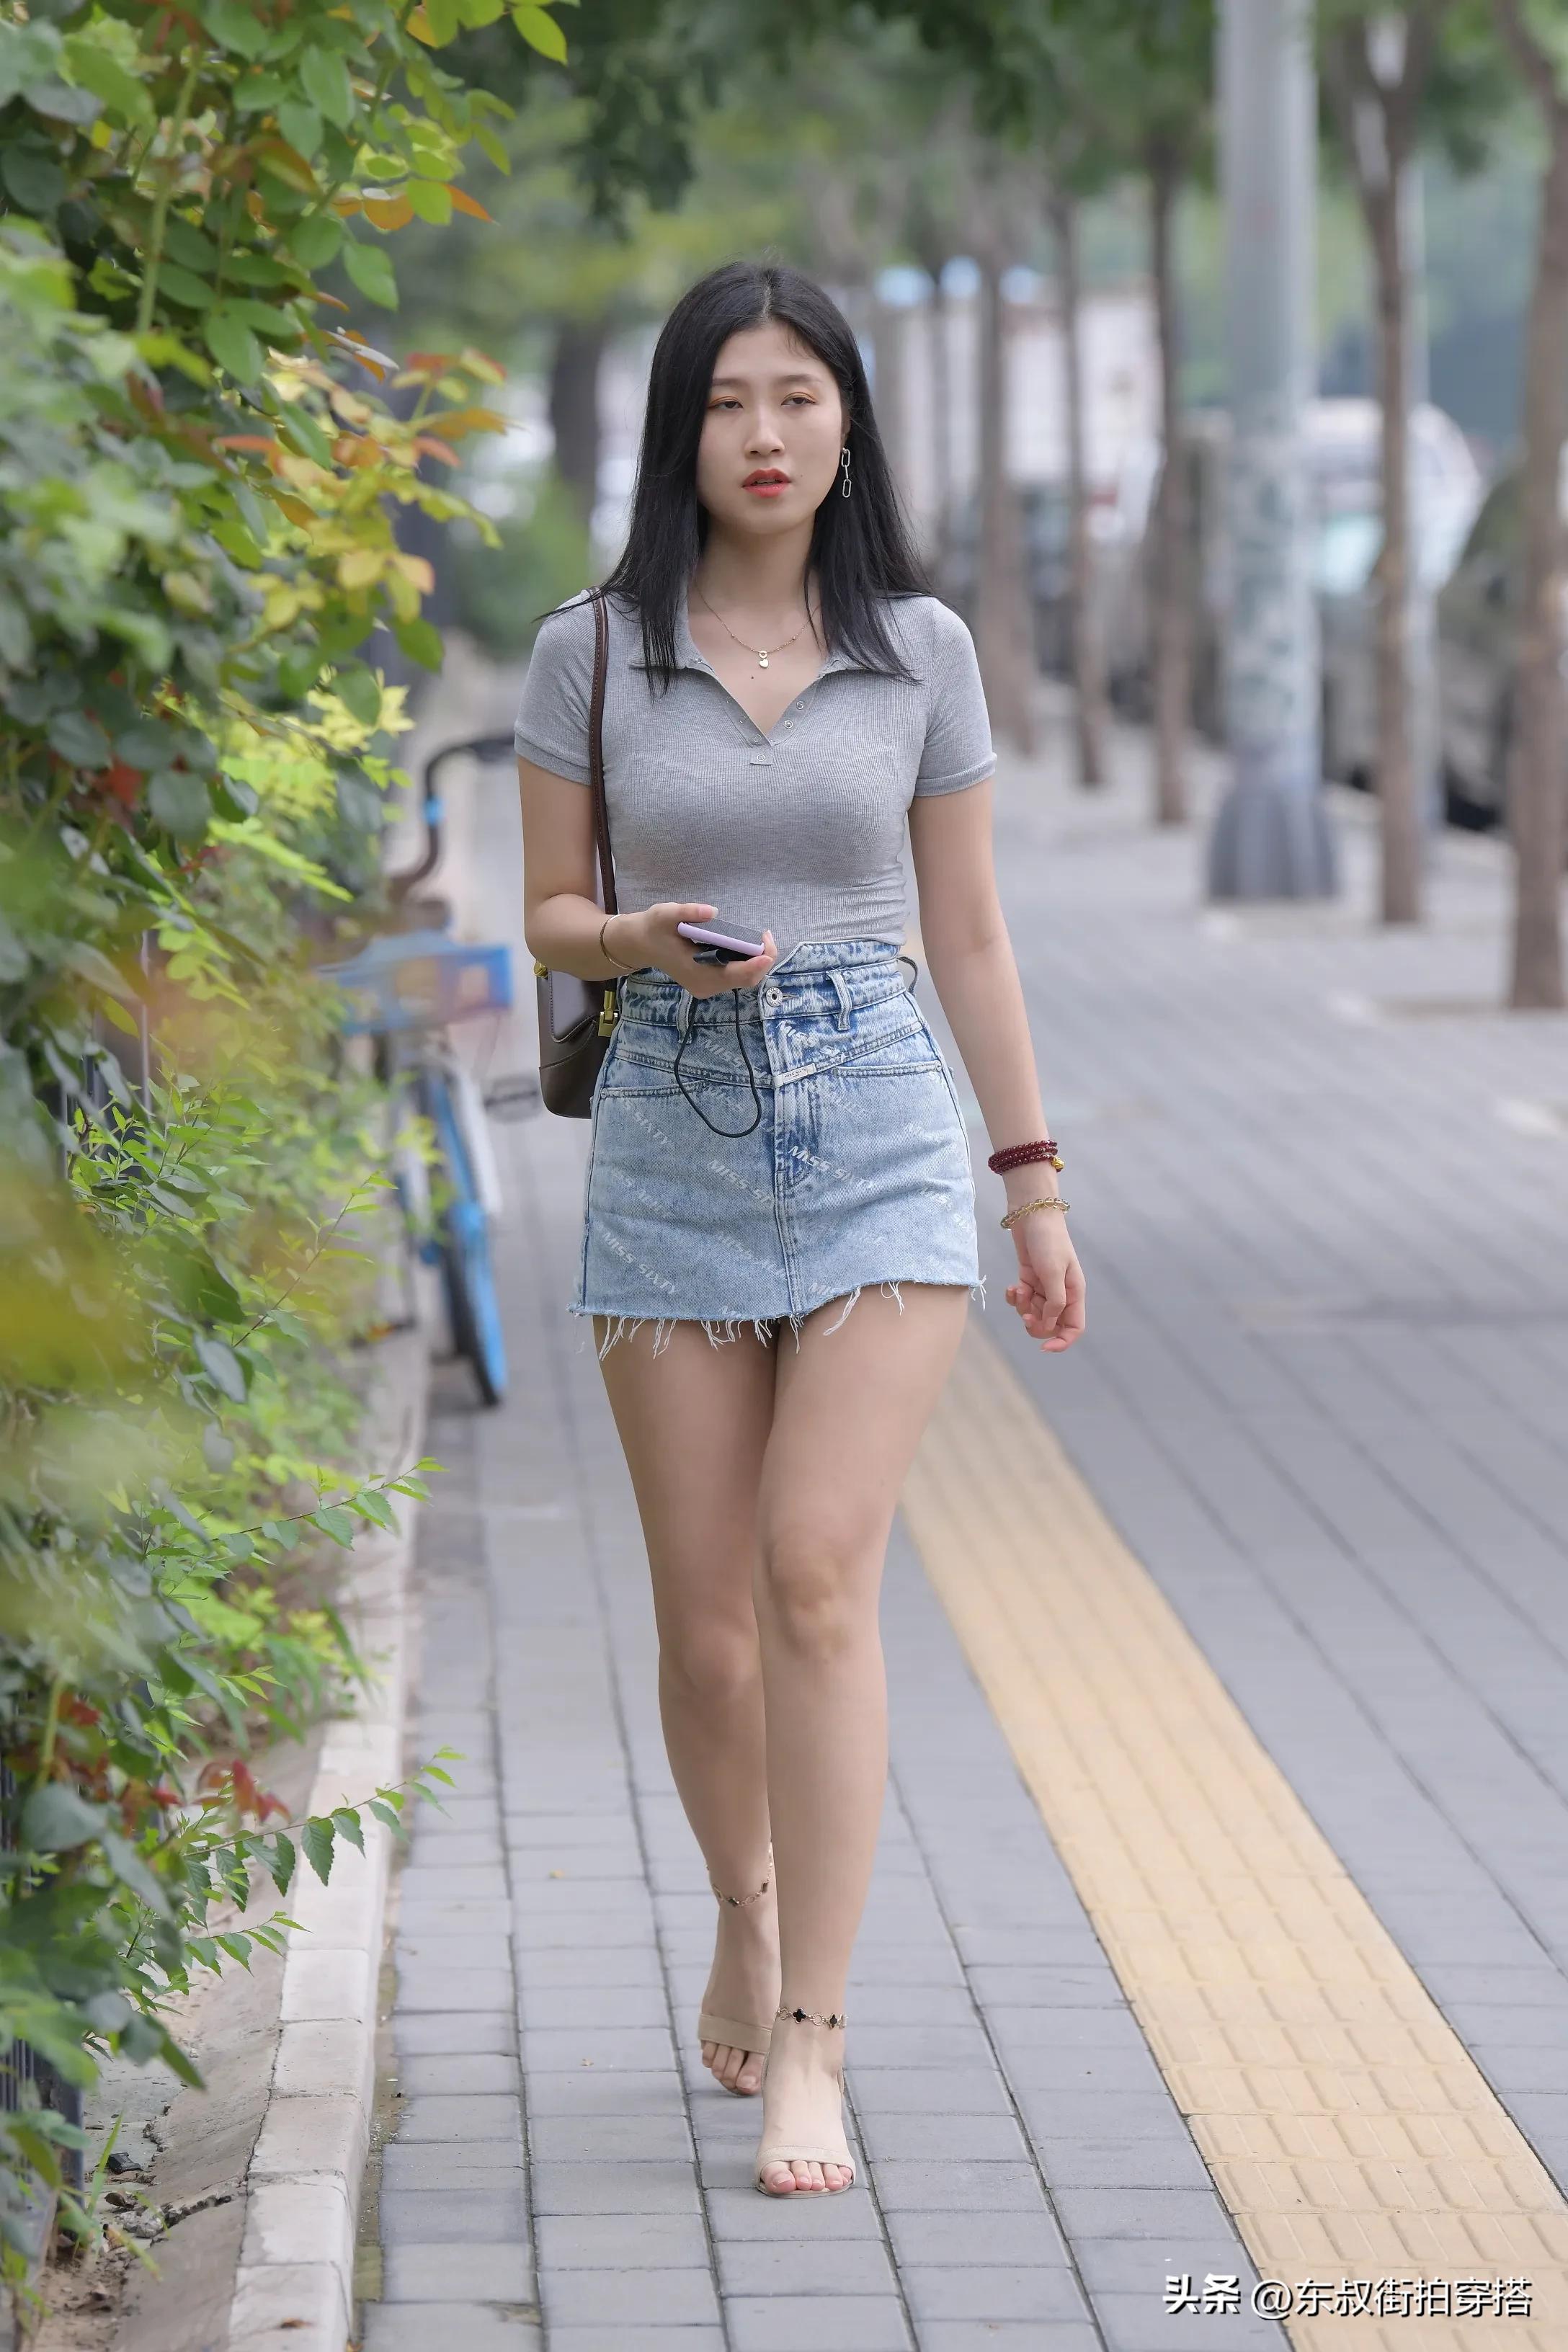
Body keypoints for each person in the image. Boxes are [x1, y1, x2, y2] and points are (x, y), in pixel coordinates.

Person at [514, 259, 1085, 2200]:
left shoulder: (923, 647)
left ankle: (817, 2041)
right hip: (670, 1113)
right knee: (709, 1634)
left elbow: (976, 933)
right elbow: (547, 918)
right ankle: (743, 1905)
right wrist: (634, 942)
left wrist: (1035, 1181)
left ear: (851, 422)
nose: (766, 437)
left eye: (801, 399)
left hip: (878, 1122)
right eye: (731, 403)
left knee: (817, 1571)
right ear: (684, 431)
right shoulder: (592, 648)